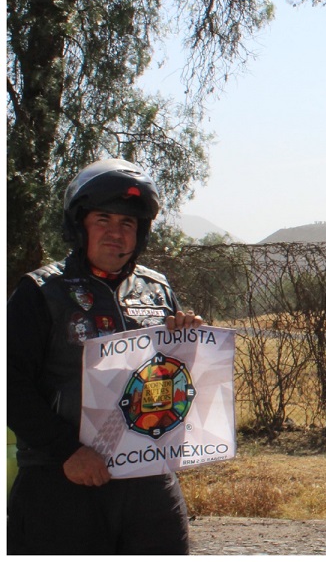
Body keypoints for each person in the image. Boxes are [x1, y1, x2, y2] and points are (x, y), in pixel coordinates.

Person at [7, 159, 205, 555]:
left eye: (127, 223)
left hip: (148, 482)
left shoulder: (157, 290)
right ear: (79, 225)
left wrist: (190, 343)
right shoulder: (40, 291)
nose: (116, 233)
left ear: (140, 233)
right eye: (103, 219)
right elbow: (9, 384)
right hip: (62, 481)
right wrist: (67, 451)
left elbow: (176, 380)